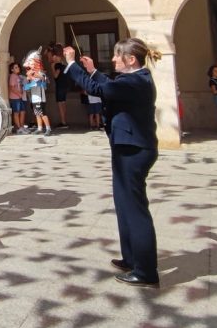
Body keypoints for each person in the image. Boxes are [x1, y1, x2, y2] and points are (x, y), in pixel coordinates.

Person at [64, 39, 162, 288]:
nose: (114, 59)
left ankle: (146, 271)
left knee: (135, 210)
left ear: (131, 59)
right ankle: (131, 258)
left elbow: (98, 89)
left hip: (133, 150)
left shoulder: (136, 81)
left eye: (118, 56)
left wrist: (72, 64)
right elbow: (109, 86)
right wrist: (92, 70)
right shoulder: (134, 80)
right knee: (124, 205)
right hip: (126, 148)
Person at [51, 46, 70, 129]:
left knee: (60, 104)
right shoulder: (63, 64)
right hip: (64, 85)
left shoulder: (57, 65)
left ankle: (63, 122)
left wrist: (52, 67)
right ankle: (64, 121)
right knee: (63, 103)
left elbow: (56, 75)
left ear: (55, 56)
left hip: (60, 86)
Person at [8, 62, 25, 133]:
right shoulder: (12, 76)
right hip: (15, 98)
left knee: (22, 111)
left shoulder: (17, 76)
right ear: (12, 69)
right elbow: (12, 88)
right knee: (16, 113)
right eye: (16, 67)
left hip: (19, 97)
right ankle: (19, 128)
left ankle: (22, 127)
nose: (18, 68)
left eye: (18, 67)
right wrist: (19, 94)